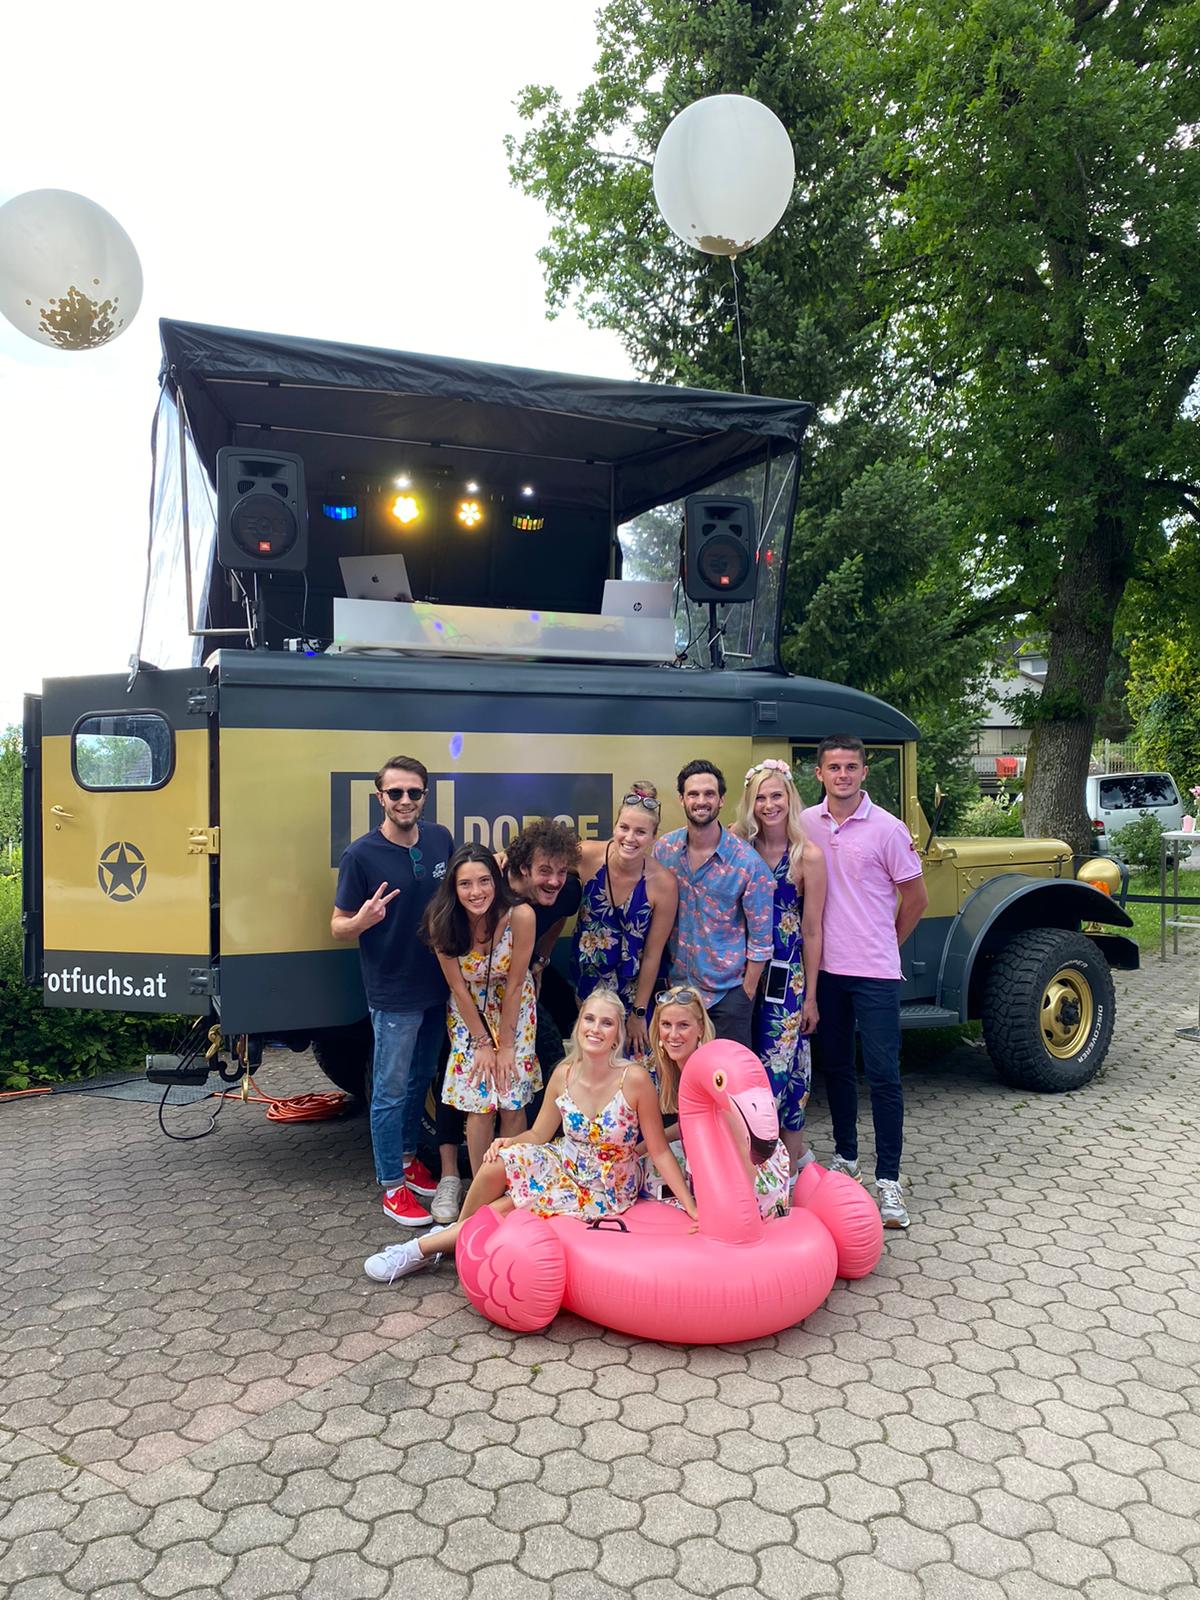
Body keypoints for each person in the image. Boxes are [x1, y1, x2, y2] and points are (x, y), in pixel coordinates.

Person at [363, 990, 695, 1281]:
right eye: (589, 1019)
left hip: (604, 1184)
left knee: (510, 1204)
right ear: (578, 1024)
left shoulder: (634, 1079)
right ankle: (454, 1238)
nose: (595, 1029)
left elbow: (659, 1150)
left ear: (617, 1033)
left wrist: (692, 1207)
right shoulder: (564, 1073)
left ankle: (416, 1250)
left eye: (606, 1023)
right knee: (496, 1162)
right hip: (564, 1160)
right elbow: (539, 1133)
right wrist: (508, 1142)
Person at [801, 736, 929, 1230]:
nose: (843, 775)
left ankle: (889, 1180)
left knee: (883, 1075)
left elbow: (915, 898)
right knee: (836, 1067)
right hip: (827, 970)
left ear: (864, 772)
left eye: (851, 767)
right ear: (819, 774)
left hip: (874, 971)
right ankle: (846, 1157)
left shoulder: (889, 829)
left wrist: (886, 942)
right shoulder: (806, 823)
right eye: (834, 767)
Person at [332, 755, 452, 1228]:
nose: (405, 800)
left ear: (425, 796)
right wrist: (361, 920)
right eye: (396, 792)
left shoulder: (440, 839)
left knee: (421, 1078)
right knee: (389, 1091)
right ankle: (392, 1186)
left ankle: (407, 1158)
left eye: (414, 792)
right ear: (380, 797)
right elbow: (338, 925)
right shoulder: (360, 855)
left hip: (438, 986)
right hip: (393, 992)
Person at [731, 759, 827, 1182]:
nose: (769, 805)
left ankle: (777, 1172)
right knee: (742, 1065)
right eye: (760, 798)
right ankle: (746, 1165)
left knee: (780, 1070)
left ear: (790, 798)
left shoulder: (808, 856)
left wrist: (811, 997)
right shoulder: (739, 847)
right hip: (740, 973)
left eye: (776, 796)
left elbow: (812, 929)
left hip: (786, 980)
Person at [424, 845, 540, 1175]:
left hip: (514, 1009)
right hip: (469, 1011)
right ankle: (482, 1187)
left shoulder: (520, 916)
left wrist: (506, 1047)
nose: (476, 892)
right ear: (453, 887)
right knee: (480, 1101)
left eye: (484, 881)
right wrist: (483, 1044)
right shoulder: (442, 921)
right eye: (465, 884)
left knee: (512, 1096)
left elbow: (515, 984)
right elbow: (457, 987)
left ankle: (514, 1182)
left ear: (496, 881)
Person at [638, 984, 789, 1220]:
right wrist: (644, 1145)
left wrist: (742, 1210)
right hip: (719, 1163)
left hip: (749, 1176)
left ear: (700, 1028)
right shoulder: (681, 1067)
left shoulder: (712, 1072)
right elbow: (692, 1123)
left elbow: (743, 1143)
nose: (673, 1035)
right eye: (666, 1024)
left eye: (683, 1025)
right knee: (648, 1168)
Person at [653, 759, 775, 1047]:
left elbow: (761, 940)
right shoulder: (664, 850)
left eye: (709, 794)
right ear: (681, 799)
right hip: (676, 992)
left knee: (726, 1072)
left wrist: (746, 992)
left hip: (727, 996)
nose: (701, 801)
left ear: (721, 800)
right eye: (693, 794)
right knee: (677, 1071)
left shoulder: (747, 863)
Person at [570, 783, 679, 1058]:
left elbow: (653, 954)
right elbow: (541, 856)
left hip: (631, 993)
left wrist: (638, 1014)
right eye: (624, 828)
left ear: (653, 837)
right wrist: (501, 858)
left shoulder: (663, 884)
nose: (630, 838)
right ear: (615, 827)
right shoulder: (587, 856)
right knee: (592, 1061)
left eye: (640, 832)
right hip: (588, 989)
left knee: (634, 1066)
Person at [505, 818, 585, 1069]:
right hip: (485, 979)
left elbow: (560, 915)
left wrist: (540, 959)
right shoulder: (492, 889)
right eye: (545, 871)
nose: (554, 881)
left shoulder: (567, 892)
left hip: (527, 970)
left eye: (561, 871)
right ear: (523, 868)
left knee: (567, 1015)